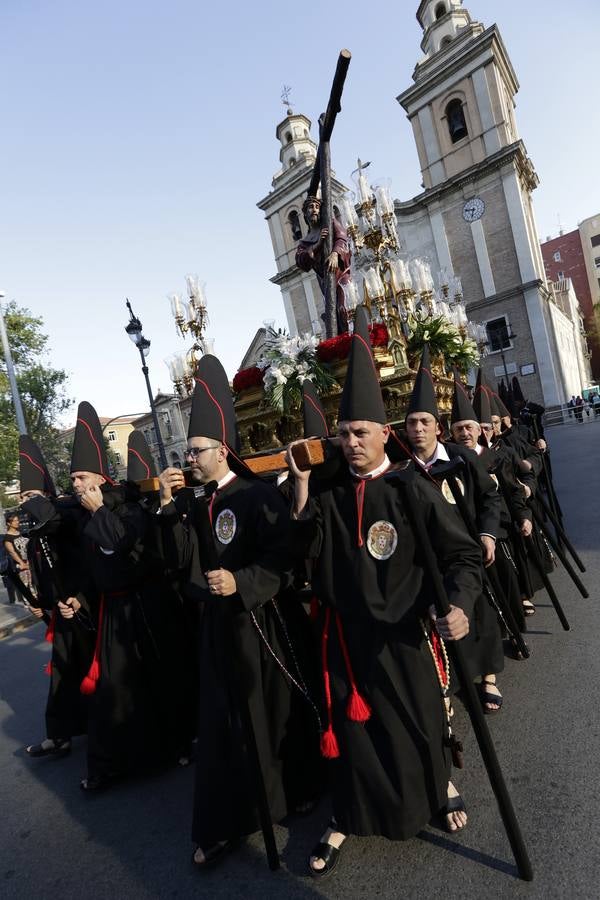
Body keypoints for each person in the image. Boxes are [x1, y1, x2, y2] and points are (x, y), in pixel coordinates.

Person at [286, 308, 483, 878]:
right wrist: (300, 483)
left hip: (403, 631)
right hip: (344, 637)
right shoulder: (322, 494)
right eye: (343, 433)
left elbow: (463, 556)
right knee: (353, 733)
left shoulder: (410, 490)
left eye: (361, 433)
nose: (350, 442)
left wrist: (460, 606)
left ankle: (437, 782)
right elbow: (301, 548)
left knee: (417, 716)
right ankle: (348, 813)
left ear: (383, 435)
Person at [157, 354, 321, 870]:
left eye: (197, 450)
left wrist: (241, 581)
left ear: (221, 449)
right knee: (222, 725)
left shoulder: (253, 496)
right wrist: (166, 511)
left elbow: (283, 558)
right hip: (216, 629)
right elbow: (176, 566)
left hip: (260, 623)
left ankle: (292, 792)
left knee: (271, 716)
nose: (190, 458)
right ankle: (223, 822)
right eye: (187, 450)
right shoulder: (191, 504)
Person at [394, 352, 505, 714]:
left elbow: (489, 497)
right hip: (430, 557)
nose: (418, 429)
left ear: (438, 427)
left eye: (425, 422)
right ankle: (447, 683)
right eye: (411, 423)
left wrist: (488, 535)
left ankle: (488, 675)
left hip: (467, 549)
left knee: (478, 612)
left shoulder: (461, 458)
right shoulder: (403, 470)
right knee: (439, 622)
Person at [19, 434, 96, 760]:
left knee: (96, 672)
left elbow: (88, 565)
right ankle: (60, 735)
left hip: (87, 609)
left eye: (33, 495)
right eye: (23, 496)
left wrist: (78, 598)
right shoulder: (35, 533)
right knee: (64, 674)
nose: (27, 502)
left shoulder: (66, 520)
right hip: (61, 613)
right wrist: (43, 606)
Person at [296, 194, 351, 334]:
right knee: (332, 315)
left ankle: (350, 338)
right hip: (324, 280)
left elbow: (342, 238)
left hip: (341, 275)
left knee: (344, 308)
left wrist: (335, 253)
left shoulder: (330, 223)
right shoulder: (304, 242)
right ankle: (340, 344)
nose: (314, 210)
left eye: (317, 207)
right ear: (305, 214)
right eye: (310, 207)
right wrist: (318, 244)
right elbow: (301, 261)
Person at [2, 512, 30, 603]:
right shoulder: (7, 538)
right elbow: (12, 552)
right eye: (15, 521)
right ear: (8, 523)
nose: (17, 522)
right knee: (25, 587)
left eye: (18, 520)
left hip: (29, 562)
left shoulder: (21, 532)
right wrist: (22, 563)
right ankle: (30, 605)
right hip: (20, 566)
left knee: (33, 585)